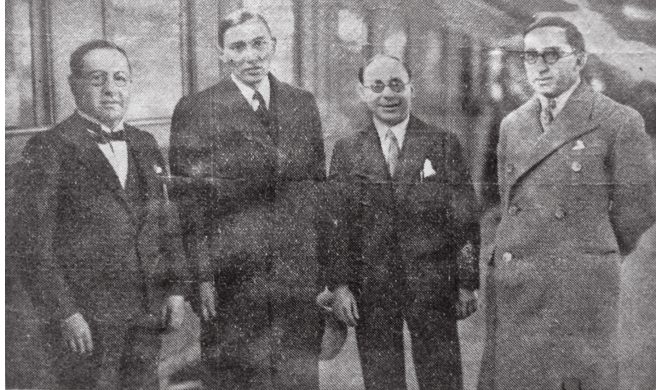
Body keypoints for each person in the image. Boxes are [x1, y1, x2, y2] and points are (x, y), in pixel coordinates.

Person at [478, 17, 656, 390]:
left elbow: (637, 209)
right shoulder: (513, 123)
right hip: (517, 279)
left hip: (577, 284)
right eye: (530, 57)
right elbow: (508, 197)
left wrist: (589, 251)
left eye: (551, 55)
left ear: (579, 59)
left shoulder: (617, 120)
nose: (539, 67)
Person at [9, 39, 189, 389]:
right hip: (87, 321)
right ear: (73, 84)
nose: (110, 90)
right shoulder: (48, 149)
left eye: (120, 78)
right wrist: (66, 312)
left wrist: (176, 290)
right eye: (97, 79)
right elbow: (32, 246)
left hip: (146, 313)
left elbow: (167, 225)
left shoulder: (144, 143)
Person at [168, 9, 326, 389]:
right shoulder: (196, 109)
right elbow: (188, 204)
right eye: (238, 47)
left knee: (296, 378)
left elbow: (318, 191)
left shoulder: (301, 103)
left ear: (272, 45)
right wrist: (202, 277)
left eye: (258, 43)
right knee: (236, 378)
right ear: (222, 53)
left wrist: (325, 272)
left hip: (295, 274)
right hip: (232, 277)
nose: (251, 55)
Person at [327, 54, 480, 390]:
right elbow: (337, 225)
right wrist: (339, 286)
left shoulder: (442, 143)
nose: (388, 95)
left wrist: (467, 281)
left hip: (434, 287)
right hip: (373, 289)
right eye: (377, 86)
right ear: (363, 93)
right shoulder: (348, 150)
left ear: (412, 89)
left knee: (442, 379)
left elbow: (465, 221)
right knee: (382, 381)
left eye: (397, 85)